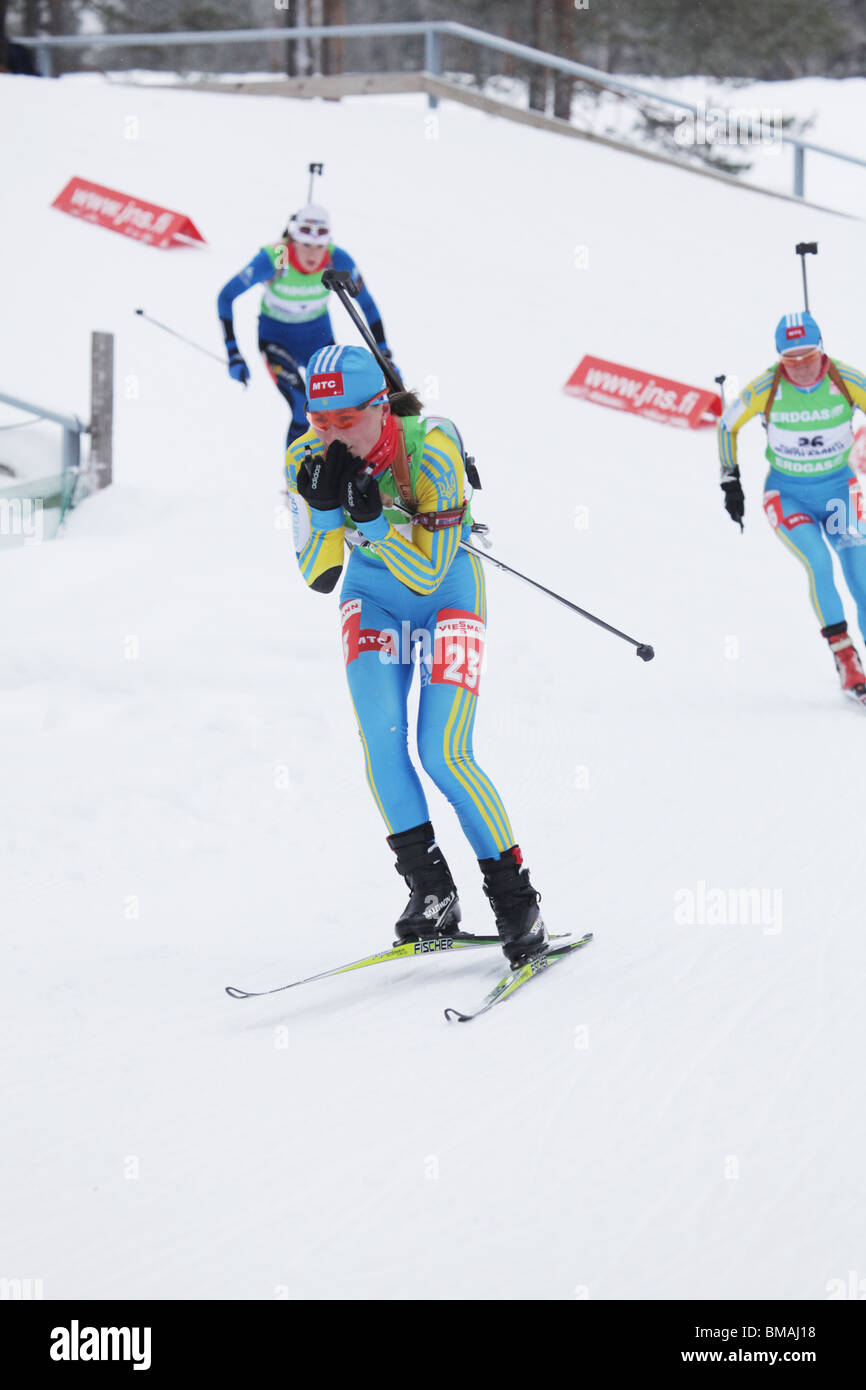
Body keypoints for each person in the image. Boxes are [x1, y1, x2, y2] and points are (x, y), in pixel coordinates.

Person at [284, 343, 550, 968]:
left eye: (345, 420)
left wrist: (373, 525)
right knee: (382, 736)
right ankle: (432, 893)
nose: (329, 435)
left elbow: (430, 572)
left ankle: (516, 900)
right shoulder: (303, 455)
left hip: (448, 593)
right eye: (318, 420)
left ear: (380, 407)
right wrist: (323, 512)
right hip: (372, 598)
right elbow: (319, 574)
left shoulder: (431, 447)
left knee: (443, 751)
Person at [718, 311, 866, 705]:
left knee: (861, 575)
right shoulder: (767, 386)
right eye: (790, 360)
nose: (800, 368)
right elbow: (726, 424)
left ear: (822, 350)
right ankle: (846, 658)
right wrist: (730, 479)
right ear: (779, 358)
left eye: (809, 357)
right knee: (818, 562)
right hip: (788, 495)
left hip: (839, 492)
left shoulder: (845, 380)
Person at [217, 204, 395, 448]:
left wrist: (383, 351)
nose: (313, 254)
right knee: (302, 406)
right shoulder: (277, 258)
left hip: (318, 340)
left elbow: (368, 305)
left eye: (319, 246)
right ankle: (294, 481)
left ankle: (338, 472)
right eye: (306, 245)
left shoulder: (337, 259)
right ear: (293, 242)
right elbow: (226, 297)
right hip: (277, 341)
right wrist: (233, 353)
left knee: (340, 408)